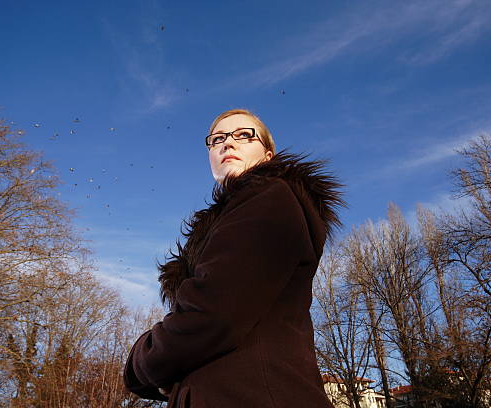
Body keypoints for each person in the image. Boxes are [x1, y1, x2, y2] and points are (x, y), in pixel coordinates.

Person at [124, 109, 345, 407]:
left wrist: (138, 363)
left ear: (268, 155)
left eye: (243, 135)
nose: (228, 143)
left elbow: (211, 313)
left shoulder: (271, 196)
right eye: (217, 139)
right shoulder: (225, 220)